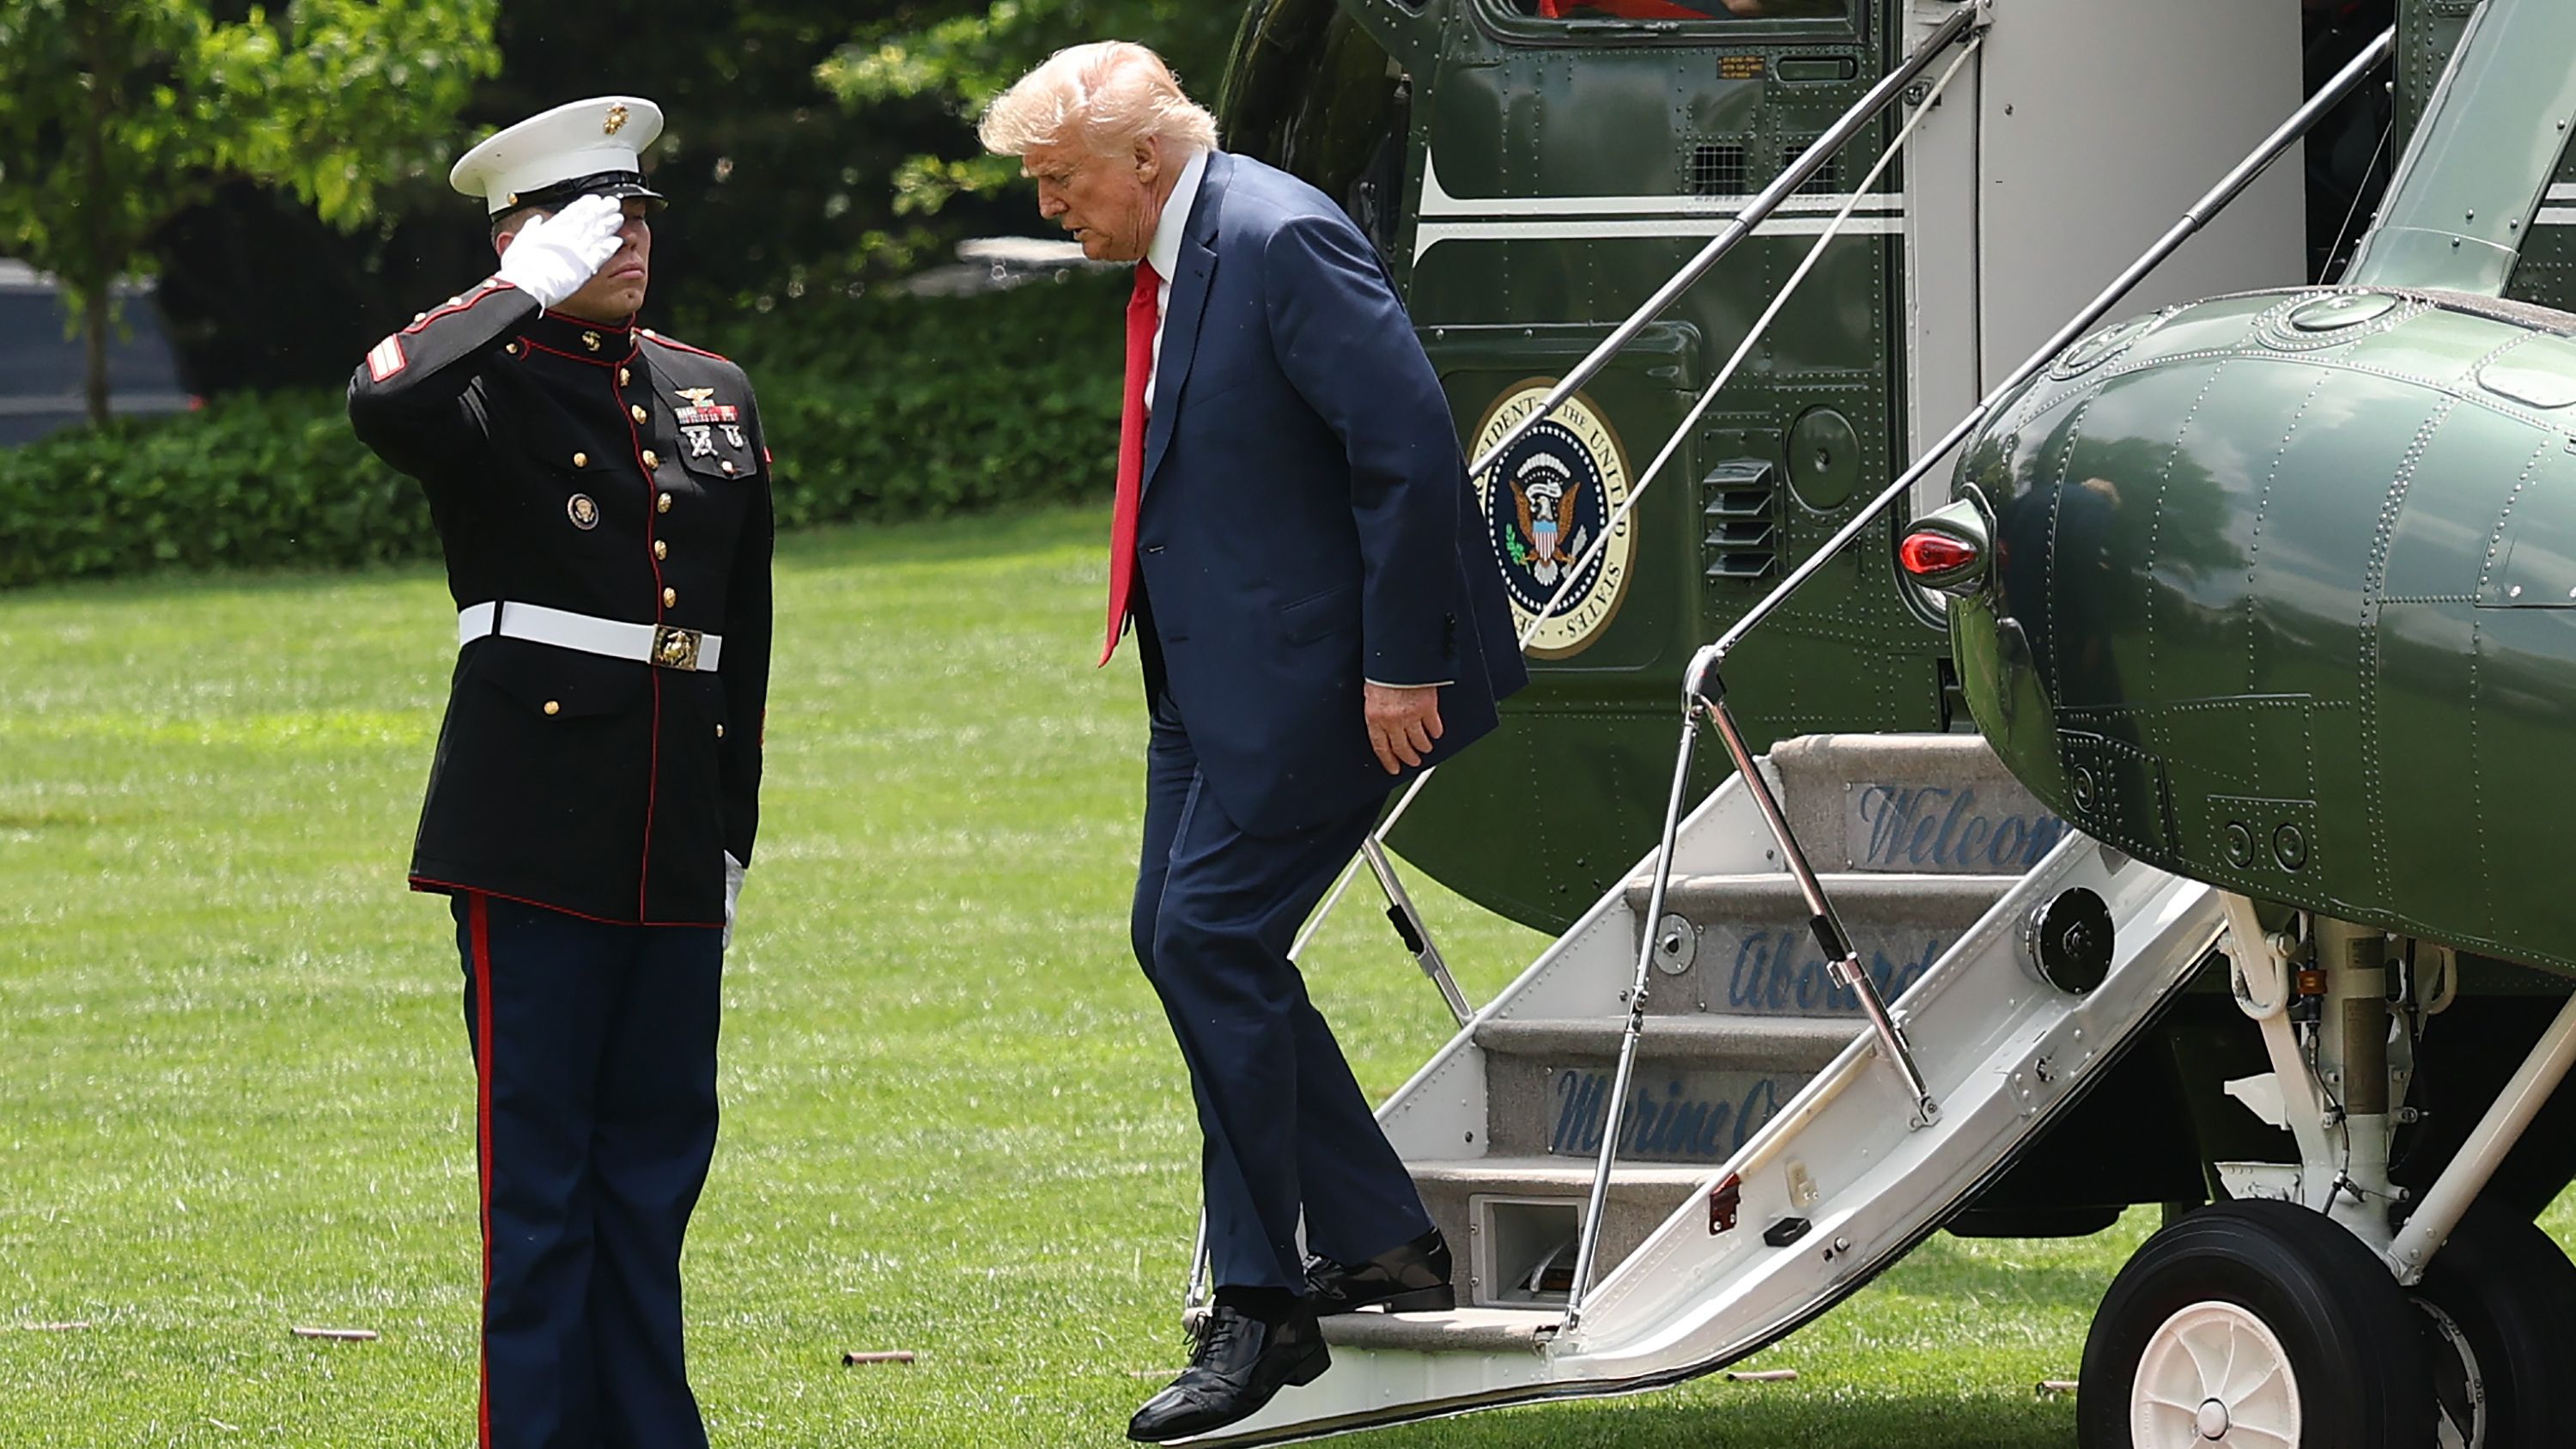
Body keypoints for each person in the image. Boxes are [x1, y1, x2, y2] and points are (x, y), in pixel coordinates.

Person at [979, 42, 1528, 1443]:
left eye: (1058, 180)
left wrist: (1401, 665)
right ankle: (1377, 1239)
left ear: (1144, 161)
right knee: (1181, 939)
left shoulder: (1278, 236)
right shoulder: (1184, 246)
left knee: (1211, 941)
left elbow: (1405, 445)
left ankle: (1265, 1306)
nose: (1049, 208)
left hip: (1334, 682)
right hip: (1212, 683)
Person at [345, 95, 772, 1449]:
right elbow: (380, 396)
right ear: (523, 237)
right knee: (540, 1190)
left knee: (655, 1173)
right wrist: (512, 290)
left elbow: (739, 626)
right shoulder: (484, 379)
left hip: (670, 830)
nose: (630, 237)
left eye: (639, 211)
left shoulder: (711, 389)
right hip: (530, 823)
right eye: (598, 218)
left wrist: (732, 825)